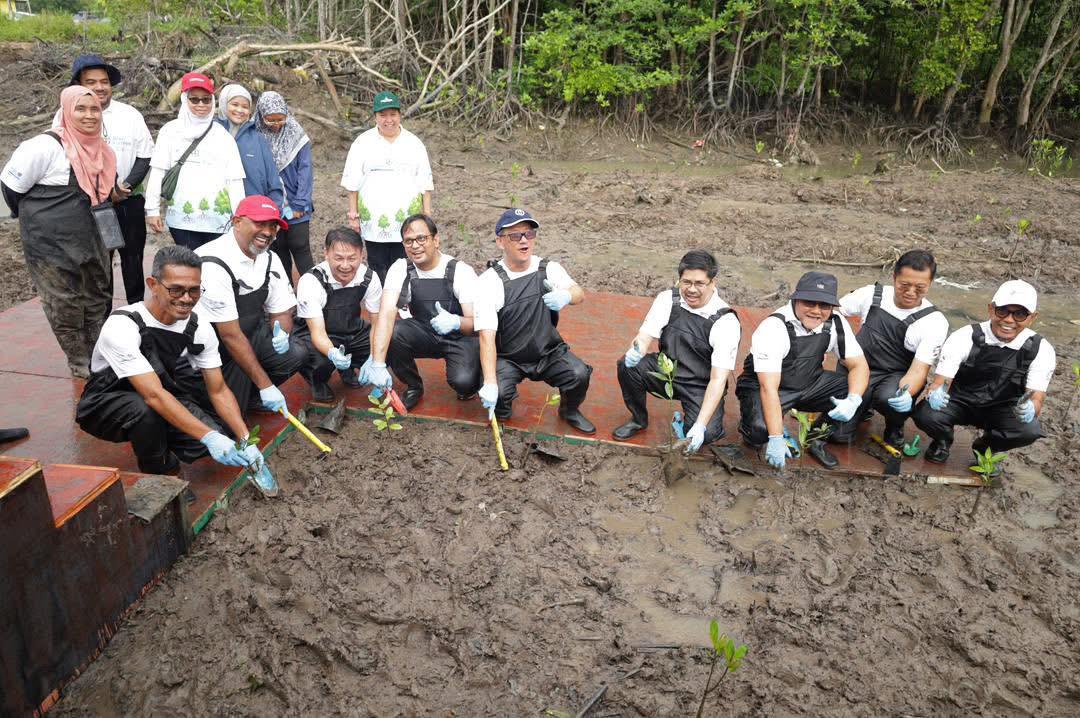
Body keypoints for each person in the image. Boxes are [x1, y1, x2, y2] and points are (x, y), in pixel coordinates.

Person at [75, 246, 264, 476]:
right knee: (144, 411)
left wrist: (244, 437)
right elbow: (153, 395)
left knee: (210, 436)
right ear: (153, 285)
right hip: (107, 401)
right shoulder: (123, 325)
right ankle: (161, 472)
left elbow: (219, 390)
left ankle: (160, 436)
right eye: (176, 290)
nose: (186, 299)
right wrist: (209, 436)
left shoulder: (198, 327)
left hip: (159, 391)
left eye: (194, 290)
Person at [2, 86, 116, 378]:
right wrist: (37, 219)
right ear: (65, 111)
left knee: (97, 295)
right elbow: (11, 188)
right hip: (49, 244)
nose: (89, 116)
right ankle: (79, 361)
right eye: (81, 109)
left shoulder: (103, 149)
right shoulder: (43, 147)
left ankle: (98, 355)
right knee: (64, 301)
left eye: (94, 109)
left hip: (92, 237)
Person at [474, 208, 595, 434]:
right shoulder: (489, 282)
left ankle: (569, 410)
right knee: (499, 393)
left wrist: (566, 296)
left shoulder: (548, 269)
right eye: (515, 235)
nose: (524, 240)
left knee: (578, 374)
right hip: (508, 357)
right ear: (500, 242)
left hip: (547, 351)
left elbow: (579, 293)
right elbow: (486, 337)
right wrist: (490, 382)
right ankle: (501, 413)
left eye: (529, 234)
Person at [913, 279, 1056, 469]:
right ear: (991, 309)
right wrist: (935, 392)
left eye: (1020, 314)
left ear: (1032, 317)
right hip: (959, 401)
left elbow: (1037, 397)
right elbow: (940, 382)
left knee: (1028, 430)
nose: (1009, 320)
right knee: (926, 414)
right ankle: (942, 441)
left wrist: (1030, 407)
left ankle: (986, 447)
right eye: (1002, 311)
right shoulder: (964, 336)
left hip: (1003, 408)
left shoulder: (1041, 350)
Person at [736, 271, 870, 470]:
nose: (816, 311)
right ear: (796, 299)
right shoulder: (774, 327)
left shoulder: (836, 322)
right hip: (768, 387)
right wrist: (776, 437)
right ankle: (751, 426)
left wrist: (853, 400)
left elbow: (859, 365)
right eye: (809, 303)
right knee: (759, 431)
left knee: (861, 390)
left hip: (809, 382)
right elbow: (768, 388)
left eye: (824, 306)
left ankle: (815, 438)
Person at [613, 250, 741, 453]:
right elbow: (644, 336)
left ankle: (693, 423)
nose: (692, 289)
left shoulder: (725, 321)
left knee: (707, 434)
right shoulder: (667, 300)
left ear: (712, 283)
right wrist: (637, 349)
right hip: (667, 371)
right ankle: (638, 419)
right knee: (627, 366)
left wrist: (700, 426)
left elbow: (718, 379)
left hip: (701, 384)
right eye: (686, 282)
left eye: (699, 283)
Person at [195, 195, 306, 414]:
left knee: (296, 354)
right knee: (228, 420)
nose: (268, 232)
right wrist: (266, 385)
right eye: (259, 223)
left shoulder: (269, 258)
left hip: (250, 333)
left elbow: (281, 311)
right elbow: (229, 335)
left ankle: (252, 396)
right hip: (214, 347)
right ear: (237, 222)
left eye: (273, 226)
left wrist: (282, 333)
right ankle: (228, 396)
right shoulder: (213, 262)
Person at [827, 250, 950, 448]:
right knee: (838, 437)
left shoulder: (934, 322)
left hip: (894, 375)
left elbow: (919, 370)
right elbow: (831, 312)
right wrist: (834, 344)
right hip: (857, 367)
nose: (911, 292)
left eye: (920, 287)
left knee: (891, 398)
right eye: (904, 285)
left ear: (930, 283)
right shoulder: (871, 294)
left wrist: (906, 393)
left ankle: (895, 425)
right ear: (894, 278)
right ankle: (862, 407)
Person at [64, 54, 155, 306]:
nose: (99, 87)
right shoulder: (66, 116)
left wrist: (124, 187)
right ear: (78, 85)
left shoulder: (130, 115)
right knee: (99, 264)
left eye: (104, 81)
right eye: (91, 82)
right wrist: (101, 193)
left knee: (133, 260)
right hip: (89, 205)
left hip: (128, 200)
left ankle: (136, 311)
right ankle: (102, 319)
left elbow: (145, 155)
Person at [368, 213, 482, 410]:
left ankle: (473, 379)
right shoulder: (400, 269)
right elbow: (385, 315)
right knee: (394, 332)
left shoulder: (460, 271)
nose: (415, 245)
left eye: (421, 238)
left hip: (459, 337)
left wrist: (456, 321)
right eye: (409, 241)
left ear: (436, 240)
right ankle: (413, 385)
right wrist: (377, 363)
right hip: (424, 331)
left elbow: (477, 323)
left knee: (464, 383)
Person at [145, 72, 245, 250]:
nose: (201, 105)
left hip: (219, 221)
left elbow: (235, 181)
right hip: (181, 220)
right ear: (185, 100)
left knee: (214, 264)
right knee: (190, 263)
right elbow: (158, 172)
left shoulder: (222, 136)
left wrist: (240, 216)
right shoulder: (170, 132)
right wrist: (152, 210)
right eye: (195, 99)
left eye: (206, 100)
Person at [340, 91, 433, 281]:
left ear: (400, 115)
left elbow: (425, 182)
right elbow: (352, 183)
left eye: (393, 114)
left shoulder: (414, 143)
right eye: (383, 115)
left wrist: (426, 215)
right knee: (377, 265)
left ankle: (404, 298)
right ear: (375, 117)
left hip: (407, 218)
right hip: (374, 221)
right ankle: (380, 297)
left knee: (405, 264)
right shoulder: (362, 142)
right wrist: (353, 215)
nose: (388, 120)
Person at [294, 227, 382, 403]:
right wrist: (333, 353)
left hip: (352, 329)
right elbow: (317, 333)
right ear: (326, 253)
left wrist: (374, 358)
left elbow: (377, 323)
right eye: (339, 258)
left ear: (362, 255)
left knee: (388, 341)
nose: (345, 265)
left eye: (352, 258)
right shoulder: (311, 281)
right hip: (321, 333)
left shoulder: (369, 277)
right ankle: (317, 380)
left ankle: (347, 369)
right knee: (315, 359)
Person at [254, 91, 314, 280]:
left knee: (300, 245)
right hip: (270, 205)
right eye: (270, 120)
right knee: (277, 250)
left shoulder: (297, 135)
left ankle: (314, 290)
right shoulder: (255, 136)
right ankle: (285, 292)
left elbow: (305, 170)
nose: (276, 124)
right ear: (261, 116)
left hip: (297, 203)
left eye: (281, 119)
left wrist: (300, 204)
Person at [216, 84, 283, 208]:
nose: (240, 110)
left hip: (253, 212)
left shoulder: (258, 139)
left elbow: (273, 179)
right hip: (216, 209)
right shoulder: (212, 133)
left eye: (245, 107)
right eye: (235, 104)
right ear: (224, 104)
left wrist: (274, 210)